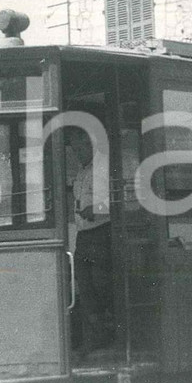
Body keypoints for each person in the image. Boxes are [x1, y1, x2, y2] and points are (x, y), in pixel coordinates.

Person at [67, 129, 114, 357]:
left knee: (99, 285)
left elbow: (115, 202)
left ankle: (105, 333)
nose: (77, 154)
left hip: (100, 233)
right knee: (84, 287)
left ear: (91, 146)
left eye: (80, 149)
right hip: (84, 235)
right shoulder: (83, 170)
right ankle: (95, 335)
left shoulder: (102, 169)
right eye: (75, 150)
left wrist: (94, 210)